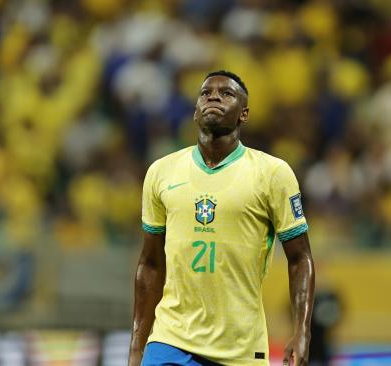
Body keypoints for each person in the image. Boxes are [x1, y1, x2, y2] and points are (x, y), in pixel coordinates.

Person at [128, 70, 315, 366]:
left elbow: (300, 258)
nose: (213, 96)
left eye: (226, 93)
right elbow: (150, 264)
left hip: (239, 348)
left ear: (244, 114)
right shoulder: (161, 172)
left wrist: (302, 331)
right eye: (205, 93)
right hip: (170, 340)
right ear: (194, 112)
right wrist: (137, 347)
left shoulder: (272, 173)